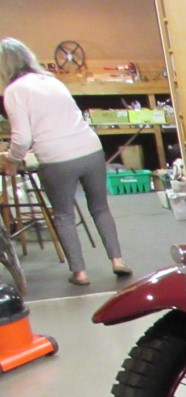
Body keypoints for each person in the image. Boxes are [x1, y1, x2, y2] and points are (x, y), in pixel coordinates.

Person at [0, 37, 131, 286]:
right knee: (100, 208)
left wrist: (12, 157)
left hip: (57, 158)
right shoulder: (51, 80)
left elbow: (22, 137)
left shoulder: (14, 91)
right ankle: (117, 260)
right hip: (90, 149)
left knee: (63, 215)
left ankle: (79, 272)